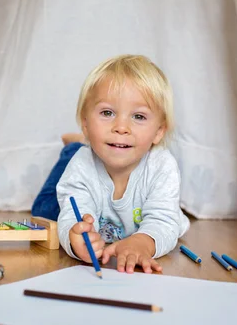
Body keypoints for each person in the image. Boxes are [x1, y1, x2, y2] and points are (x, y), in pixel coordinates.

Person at [32, 54, 190, 274]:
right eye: (107, 113)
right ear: (85, 123)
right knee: (45, 210)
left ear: (159, 131)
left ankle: (77, 145)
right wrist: (78, 240)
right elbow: (73, 216)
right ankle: (72, 149)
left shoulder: (162, 166)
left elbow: (163, 222)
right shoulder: (82, 166)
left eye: (139, 116)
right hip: (84, 160)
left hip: (103, 152)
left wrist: (142, 242)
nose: (121, 127)